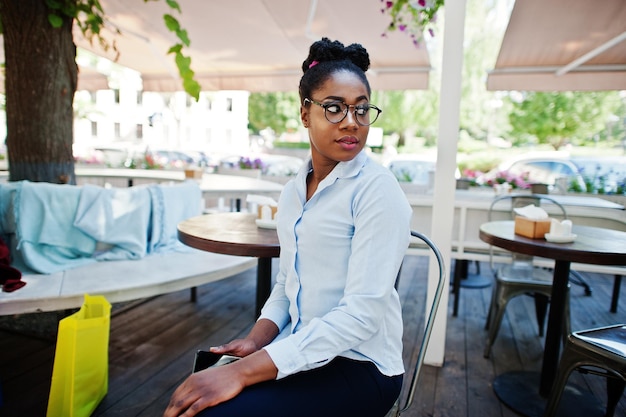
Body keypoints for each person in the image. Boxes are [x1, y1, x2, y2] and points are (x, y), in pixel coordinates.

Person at [163, 37, 412, 417]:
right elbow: (287, 283)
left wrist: (245, 372)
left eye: (362, 110)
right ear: (304, 113)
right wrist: (255, 341)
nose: (351, 122)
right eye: (334, 108)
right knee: (195, 399)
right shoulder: (295, 191)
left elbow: (361, 316)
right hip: (300, 346)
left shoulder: (377, 191)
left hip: (359, 365)